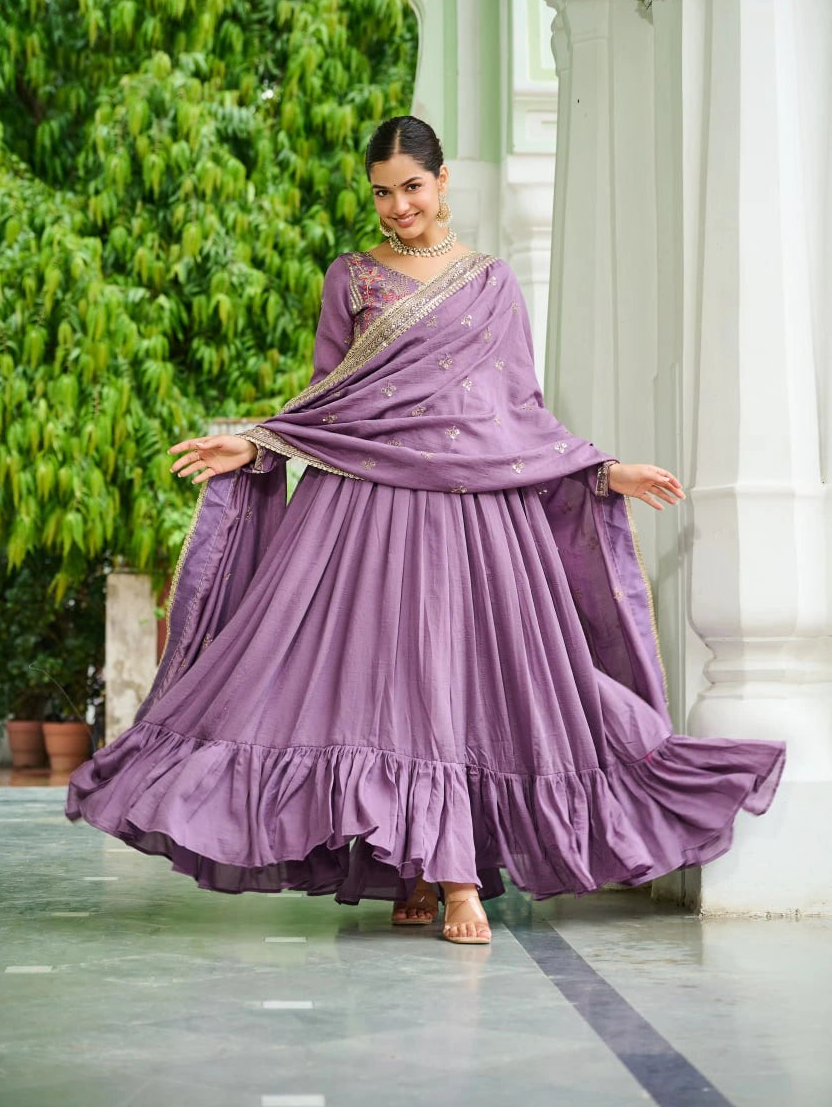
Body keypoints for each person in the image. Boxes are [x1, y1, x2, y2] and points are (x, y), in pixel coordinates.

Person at [66, 116, 785, 946]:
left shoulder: (490, 284)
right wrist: (256, 440)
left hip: (475, 518)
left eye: (410, 187)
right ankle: (411, 871)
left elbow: (516, 413)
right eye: (381, 191)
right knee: (379, 689)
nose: (396, 206)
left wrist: (600, 472)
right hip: (362, 516)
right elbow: (328, 404)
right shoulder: (350, 277)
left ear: (442, 184)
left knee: (458, 687)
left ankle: (456, 883)